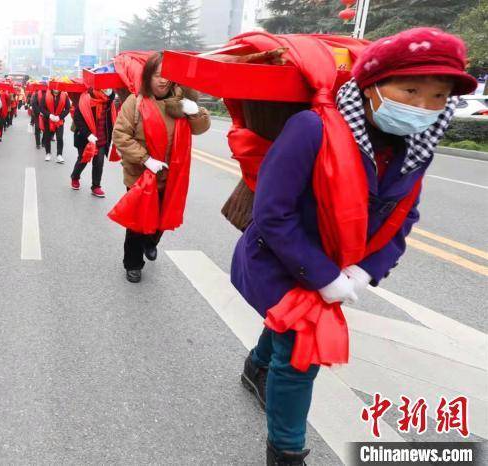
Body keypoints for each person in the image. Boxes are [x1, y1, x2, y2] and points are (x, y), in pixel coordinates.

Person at [228, 29, 476, 465]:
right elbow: (274, 213)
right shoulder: (311, 128)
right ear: (372, 87)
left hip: (340, 265)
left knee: (286, 331)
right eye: (410, 89)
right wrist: (322, 276)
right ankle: (286, 452)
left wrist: (364, 271)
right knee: (301, 354)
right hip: (283, 258)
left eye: (438, 96)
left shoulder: (416, 149)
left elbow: (404, 217)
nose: (422, 107)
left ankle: (255, 367)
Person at [112, 52, 210, 283]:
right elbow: (121, 135)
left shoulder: (181, 104)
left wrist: (195, 111)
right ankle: (133, 263)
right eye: (157, 75)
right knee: (137, 223)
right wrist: (146, 159)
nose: (162, 80)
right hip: (140, 175)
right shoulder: (134, 102)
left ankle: (152, 241)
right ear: (148, 77)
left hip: (171, 174)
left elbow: (201, 128)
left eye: (166, 76)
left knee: (161, 218)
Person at [70, 87, 116, 197]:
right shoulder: (86, 97)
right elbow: (77, 118)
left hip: (101, 137)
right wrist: (88, 134)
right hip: (86, 137)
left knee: (99, 162)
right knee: (83, 159)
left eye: (110, 86)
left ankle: (96, 186)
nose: (108, 89)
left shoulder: (110, 99)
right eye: (105, 86)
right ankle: (75, 177)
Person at [40, 88, 71, 163]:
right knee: (47, 137)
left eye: (58, 89)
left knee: (60, 137)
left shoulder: (65, 95)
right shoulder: (46, 95)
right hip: (48, 120)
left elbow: (67, 109)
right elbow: (42, 108)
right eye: (54, 88)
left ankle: (59, 155)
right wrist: (49, 115)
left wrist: (59, 117)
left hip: (59, 120)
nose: (56, 90)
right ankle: (48, 153)